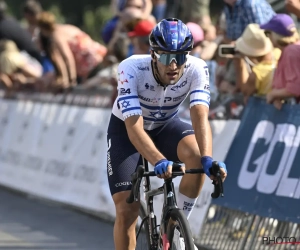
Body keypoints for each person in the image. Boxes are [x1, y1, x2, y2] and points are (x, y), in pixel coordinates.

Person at [106, 18, 227, 250]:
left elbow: (200, 116)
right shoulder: (130, 68)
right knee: (126, 209)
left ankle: (175, 229)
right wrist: (159, 160)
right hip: (127, 129)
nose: (173, 65)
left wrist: (208, 159)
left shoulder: (197, 68)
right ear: (153, 54)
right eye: (165, 57)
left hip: (165, 123)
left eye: (180, 57)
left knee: (196, 156)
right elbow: (134, 127)